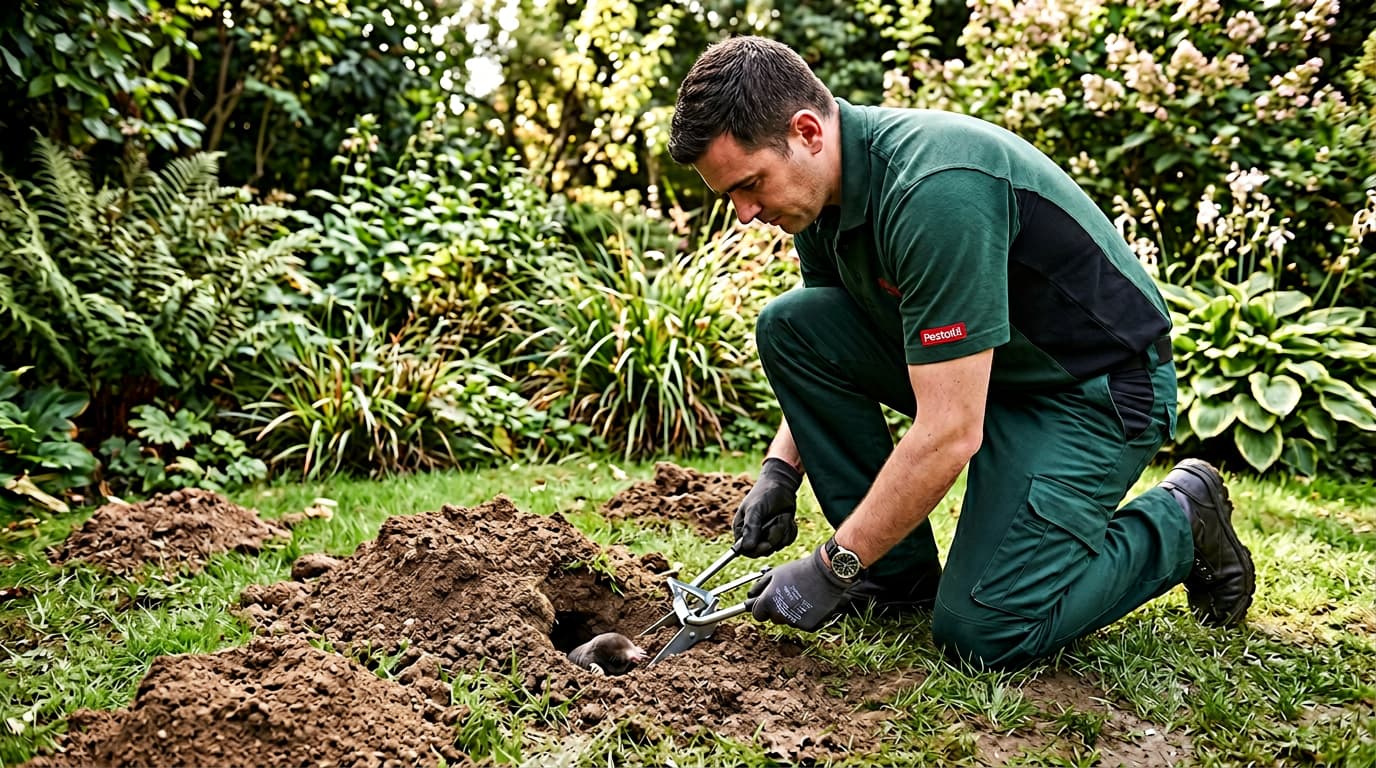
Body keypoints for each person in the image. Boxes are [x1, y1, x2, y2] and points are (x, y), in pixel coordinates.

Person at [667, 36, 1256, 669]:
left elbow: (949, 431)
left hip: (1092, 391)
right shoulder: (819, 202)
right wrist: (780, 473)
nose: (746, 213)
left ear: (807, 131)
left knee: (985, 632)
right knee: (792, 323)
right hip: (995, 376)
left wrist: (831, 565)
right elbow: (828, 340)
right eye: (730, 195)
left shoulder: (934, 190)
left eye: (750, 185)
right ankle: (896, 579)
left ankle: (1181, 518)